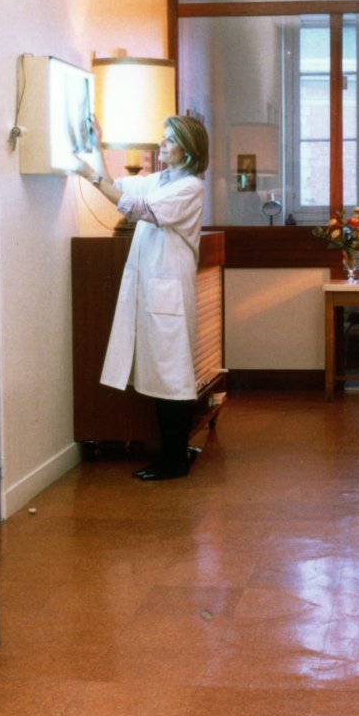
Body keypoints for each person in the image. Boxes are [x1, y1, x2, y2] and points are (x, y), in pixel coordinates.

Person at [77, 115, 208, 481]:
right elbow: (120, 188)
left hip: (170, 288)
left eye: (169, 140)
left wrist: (89, 175)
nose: (161, 145)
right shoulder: (159, 180)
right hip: (154, 284)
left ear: (188, 149)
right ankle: (171, 455)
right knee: (160, 373)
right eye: (162, 139)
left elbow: (139, 209)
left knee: (173, 374)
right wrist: (98, 145)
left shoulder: (189, 187)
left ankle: (174, 461)